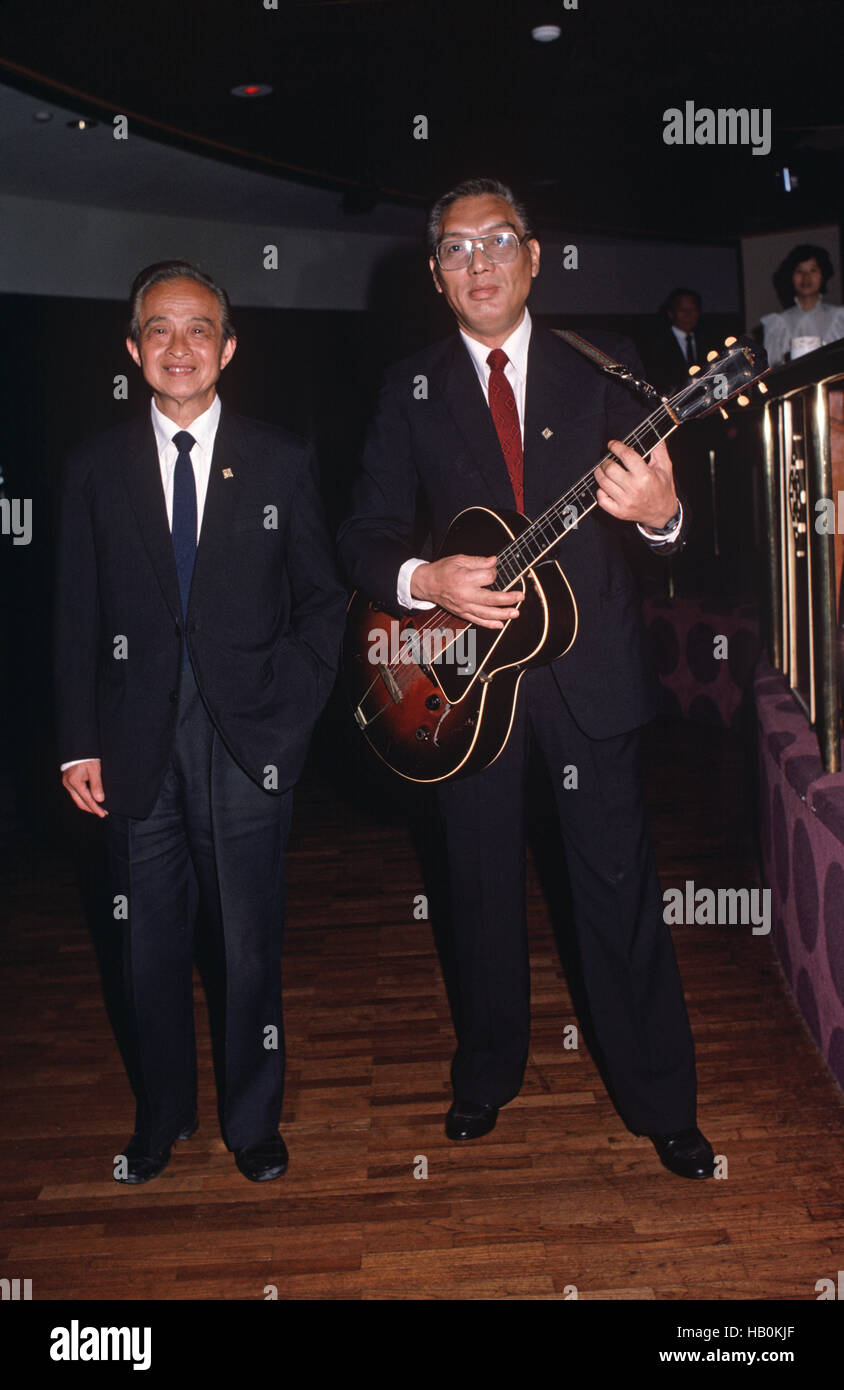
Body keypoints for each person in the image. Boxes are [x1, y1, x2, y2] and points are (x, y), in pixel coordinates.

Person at [337, 177, 716, 1179]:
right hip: (463, 679)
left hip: (589, 677)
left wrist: (661, 515)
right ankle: (487, 1071)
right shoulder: (407, 386)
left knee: (620, 890)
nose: (480, 263)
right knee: (473, 888)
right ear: (433, 275)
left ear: (535, 255)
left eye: (498, 241)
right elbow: (361, 535)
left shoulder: (612, 370)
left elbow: (669, 539)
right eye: (457, 250)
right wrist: (425, 578)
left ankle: (660, 1099)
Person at [55, 261, 346, 1184]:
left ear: (227, 347)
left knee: (249, 942)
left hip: (248, 743)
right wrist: (76, 742)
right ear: (133, 348)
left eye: (199, 330)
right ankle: (162, 1118)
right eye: (159, 330)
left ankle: (253, 1124)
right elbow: (73, 613)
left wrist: (291, 710)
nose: (179, 347)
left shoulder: (282, 460)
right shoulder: (93, 468)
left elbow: (323, 601)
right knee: (146, 946)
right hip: (134, 746)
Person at [761, 244, 844, 366]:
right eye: (800, 271)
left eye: (813, 270)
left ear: (823, 275)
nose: (806, 277)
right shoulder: (777, 324)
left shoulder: (839, 318)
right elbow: (772, 370)